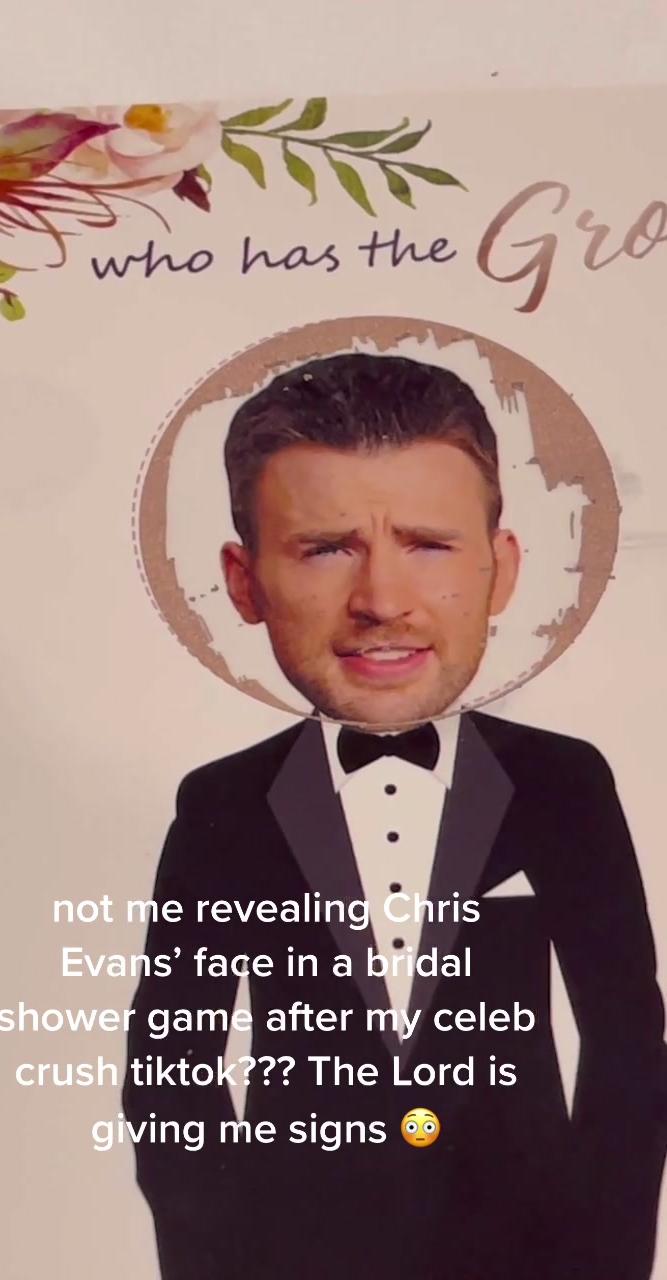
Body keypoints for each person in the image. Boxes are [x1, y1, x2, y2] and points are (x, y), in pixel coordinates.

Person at [123, 352, 667, 1280]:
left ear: (500, 570)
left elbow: (628, 1055)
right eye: (325, 548)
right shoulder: (220, 805)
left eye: (428, 544)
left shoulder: (566, 784)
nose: (381, 601)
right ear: (245, 582)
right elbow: (171, 1069)